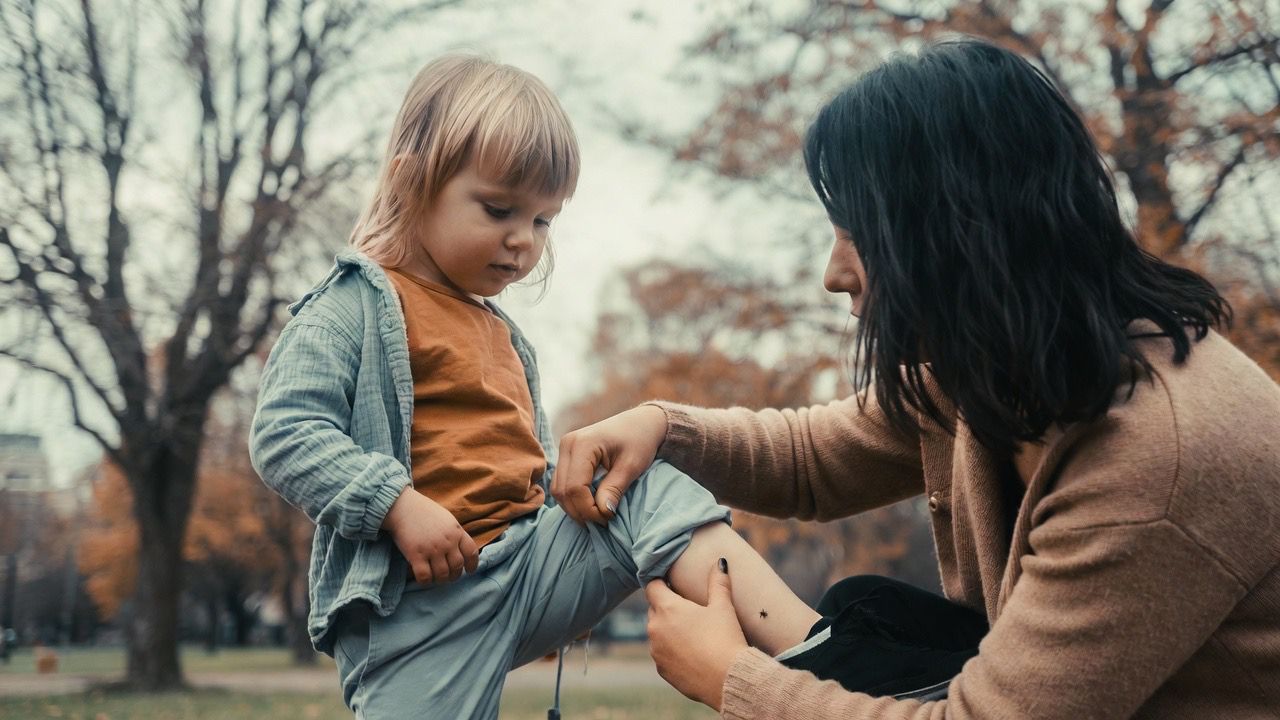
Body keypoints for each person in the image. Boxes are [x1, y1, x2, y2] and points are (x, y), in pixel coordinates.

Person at [553, 38, 1280, 719]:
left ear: (954, 231)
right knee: (868, 608)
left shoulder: (1156, 457)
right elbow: (810, 461)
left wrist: (735, 681)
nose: (833, 275)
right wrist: (663, 425)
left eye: (856, 236)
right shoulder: (1009, 363)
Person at [249, 54, 829, 720]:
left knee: (639, 480)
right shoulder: (353, 305)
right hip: (416, 614)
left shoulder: (504, 336)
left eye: (543, 219)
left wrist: (561, 499)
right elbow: (284, 432)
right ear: (413, 184)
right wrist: (396, 506)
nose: (523, 241)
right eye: (499, 209)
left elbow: (517, 462)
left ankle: (820, 654)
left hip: (525, 571)